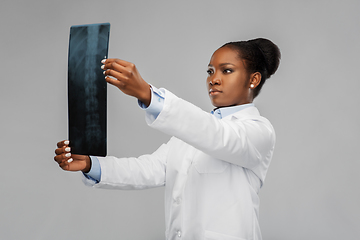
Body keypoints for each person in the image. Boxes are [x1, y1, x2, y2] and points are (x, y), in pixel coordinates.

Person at [54, 38, 281, 240]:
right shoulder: (190, 134)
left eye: (227, 71)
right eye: (210, 71)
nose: (214, 79)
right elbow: (148, 169)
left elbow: (218, 137)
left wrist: (149, 94)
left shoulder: (258, 132)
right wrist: (91, 164)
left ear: (254, 79)